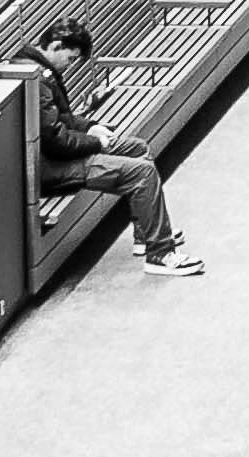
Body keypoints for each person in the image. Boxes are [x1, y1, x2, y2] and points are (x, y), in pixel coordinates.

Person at [17, 22, 202, 279]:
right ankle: (160, 254)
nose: (69, 65)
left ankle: (144, 234)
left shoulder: (39, 72)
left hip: (51, 157)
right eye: (70, 59)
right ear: (56, 46)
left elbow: (63, 121)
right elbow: (56, 142)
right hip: (49, 168)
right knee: (143, 173)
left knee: (137, 148)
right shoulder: (37, 82)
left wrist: (91, 127)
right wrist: (97, 143)